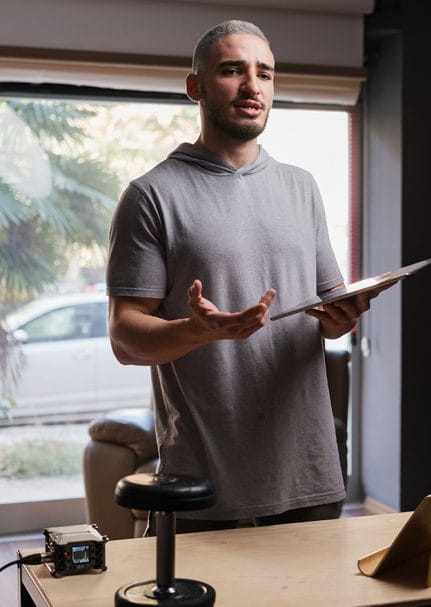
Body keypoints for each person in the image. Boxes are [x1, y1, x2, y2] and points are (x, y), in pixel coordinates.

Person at [106, 20, 377, 533]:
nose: (253, 86)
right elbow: (124, 337)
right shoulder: (151, 196)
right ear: (196, 88)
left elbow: (328, 312)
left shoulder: (303, 187)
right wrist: (199, 331)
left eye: (265, 74)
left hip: (311, 475)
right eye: (233, 71)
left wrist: (344, 316)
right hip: (205, 484)